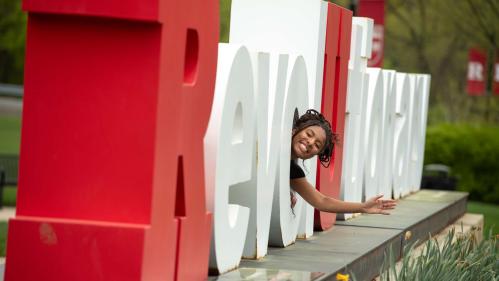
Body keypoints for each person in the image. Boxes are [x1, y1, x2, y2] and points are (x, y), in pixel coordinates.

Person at [289, 109, 396, 215]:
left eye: (317, 145)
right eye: (308, 134)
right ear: (295, 130)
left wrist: (363, 207)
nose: (311, 142)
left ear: (316, 154)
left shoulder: (293, 171)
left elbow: (322, 201)